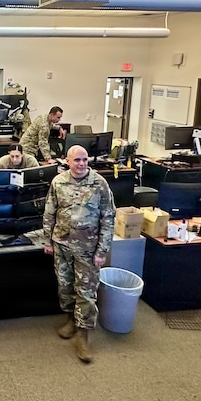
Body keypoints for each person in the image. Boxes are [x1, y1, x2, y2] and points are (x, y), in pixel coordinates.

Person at [42, 145, 115, 363]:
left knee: (86, 292)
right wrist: (47, 240)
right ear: (67, 161)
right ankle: (71, 320)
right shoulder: (58, 182)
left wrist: (102, 251)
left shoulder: (99, 183)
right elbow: (50, 211)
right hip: (62, 245)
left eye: (84, 160)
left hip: (88, 249)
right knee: (65, 286)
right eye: (77, 160)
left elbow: (108, 218)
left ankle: (83, 336)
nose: (81, 164)